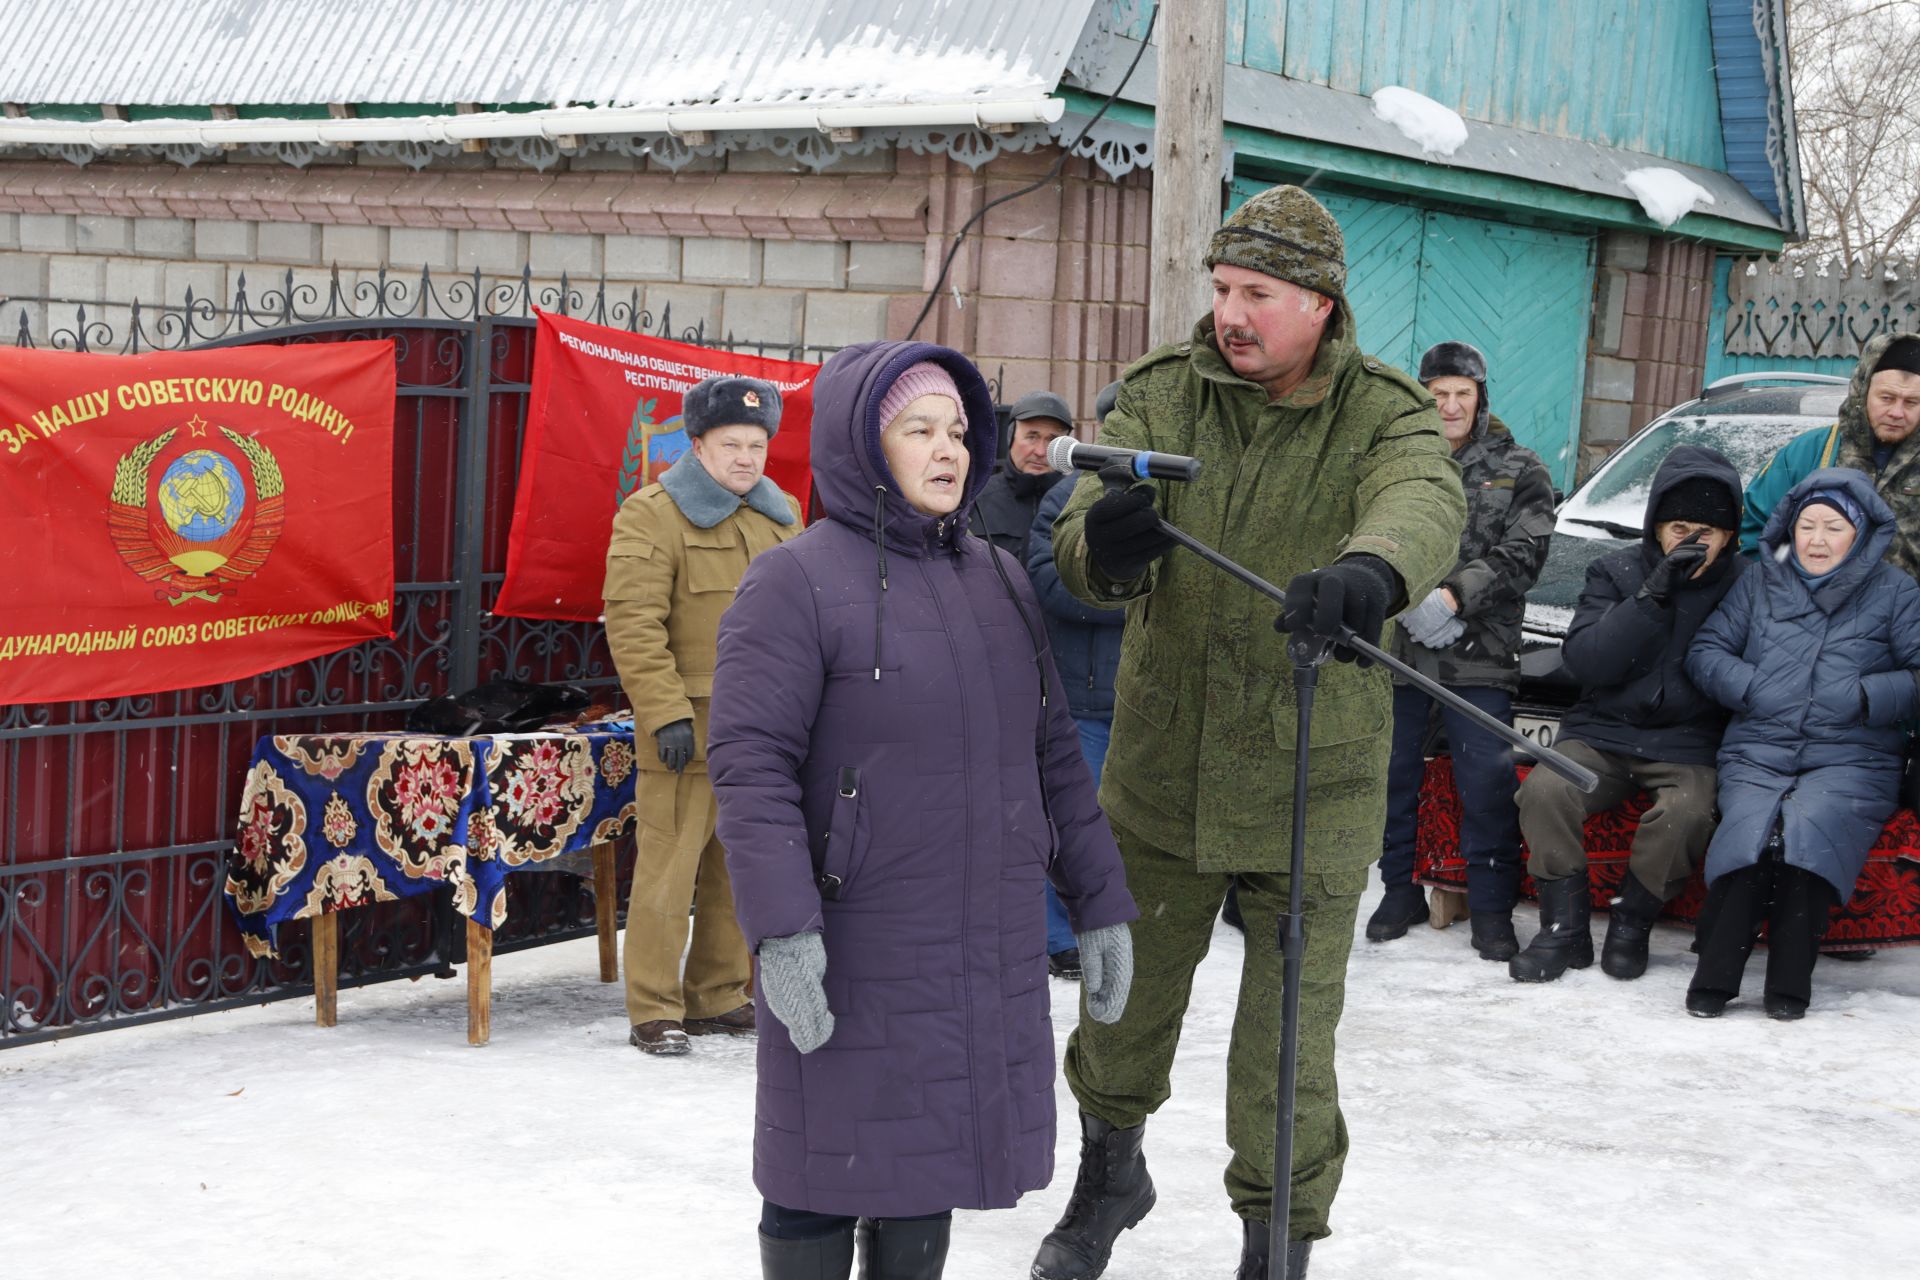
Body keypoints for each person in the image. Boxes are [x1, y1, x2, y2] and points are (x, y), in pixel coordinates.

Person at [1034, 184, 1466, 1279]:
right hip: (1161, 771)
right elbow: (1083, 528)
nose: (1231, 311)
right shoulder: (1163, 394)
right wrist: (1111, 543)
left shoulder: (1387, 411)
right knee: (1120, 1003)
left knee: (1286, 1046)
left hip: (1311, 780)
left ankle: (1277, 1242)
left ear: (1319, 303)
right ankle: (1109, 1174)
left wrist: (1373, 567)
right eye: (1223, 287)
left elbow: (1422, 496)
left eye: (1258, 293)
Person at [706, 342, 1139, 1280]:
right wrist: (784, 931)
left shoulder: (1001, 580)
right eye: (918, 430)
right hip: (854, 940)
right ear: (864, 444)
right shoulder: (795, 582)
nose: (946, 449)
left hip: (978, 938)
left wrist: (1100, 904)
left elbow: (1054, 754)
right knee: (822, 1163)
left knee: (927, 1165)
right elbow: (750, 766)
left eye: (956, 430)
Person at [601, 375, 801, 1055]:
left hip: (767, 723)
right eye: (731, 444)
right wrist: (663, 713)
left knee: (736, 866)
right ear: (697, 445)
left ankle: (717, 995)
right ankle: (654, 1008)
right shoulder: (652, 514)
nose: (747, 458)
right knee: (670, 867)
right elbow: (633, 621)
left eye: (756, 444)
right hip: (690, 722)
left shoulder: (782, 516)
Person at [1685, 469, 1920, 1019]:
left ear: (1859, 534)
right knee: (1752, 832)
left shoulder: (1896, 592)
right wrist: (1751, 686)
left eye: (1832, 528)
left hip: (1853, 756)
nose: (1815, 540)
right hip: (1760, 747)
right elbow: (1706, 652)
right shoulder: (1759, 581)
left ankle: (1789, 985)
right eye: (1806, 525)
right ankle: (1714, 981)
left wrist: (1864, 695)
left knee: (1808, 830)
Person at [1508, 446, 1745, 984]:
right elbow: (1589, 660)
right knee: (1546, 790)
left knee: (1686, 811)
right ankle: (1563, 927)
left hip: (1687, 741)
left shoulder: (1745, 585)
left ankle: (1632, 922)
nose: (1689, 541)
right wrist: (1650, 597)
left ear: (1729, 536)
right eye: (1678, 526)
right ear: (1656, 527)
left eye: (1706, 531)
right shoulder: (1614, 571)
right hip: (1603, 731)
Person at [1370, 341, 1554, 959]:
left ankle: (1492, 907)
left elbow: (1525, 551)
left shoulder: (1518, 465)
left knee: (1485, 782)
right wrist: (1409, 597)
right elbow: (1368, 533)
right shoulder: (1394, 459)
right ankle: (1398, 890)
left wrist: (1451, 598)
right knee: (1392, 777)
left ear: (1480, 397)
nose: (1449, 406)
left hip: (1479, 650)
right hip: (1398, 650)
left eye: (1462, 394)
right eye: (1437, 393)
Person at [1027, 380, 1127, 980]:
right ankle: (1058, 935)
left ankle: (1119, 922)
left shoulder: (1174, 496)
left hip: (1149, 700)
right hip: (1084, 698)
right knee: (1070, 822)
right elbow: (1050, 583)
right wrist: (1135, 599)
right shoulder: (1065, 495)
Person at [1739, 332, 1920, 580]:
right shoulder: (1808, 453)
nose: (1897, 412)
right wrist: (1786, 587)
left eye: (1911, 402)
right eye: (1886, 398)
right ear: (1863, 391)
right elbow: (1756, 535)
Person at [970, 389, 1075, 562]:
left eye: (1052, 440)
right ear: (1011, 438)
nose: (1041, 451)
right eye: (1031, 437)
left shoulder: (1077, 504)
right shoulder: (977, 501)